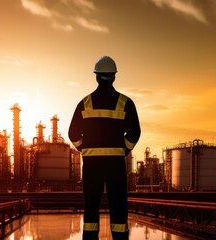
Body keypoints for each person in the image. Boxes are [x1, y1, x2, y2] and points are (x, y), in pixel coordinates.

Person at [69, 56, 141, 240]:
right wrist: (123, 150)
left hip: (92, 166)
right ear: (114, 77)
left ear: (96, 77)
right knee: (118, 206)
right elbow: (135, 132)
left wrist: (85, 148)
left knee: (91, 207)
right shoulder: (125, 103)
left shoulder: (85, 103)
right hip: (115, 165)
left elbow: (73, 134)